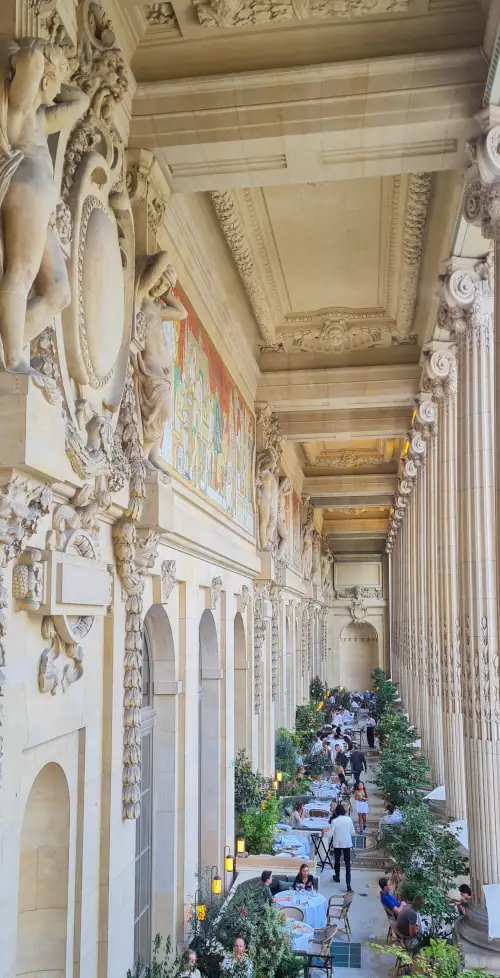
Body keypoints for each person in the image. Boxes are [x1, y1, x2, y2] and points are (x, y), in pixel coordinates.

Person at [330, 804, 355, 892]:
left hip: (337, 843)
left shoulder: (334, 821)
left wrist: (323, 833)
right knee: (348, 864)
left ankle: (337, 876)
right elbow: (352, 832)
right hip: (347, 843)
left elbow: (330, 834)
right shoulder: (349, 819)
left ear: (336, 812)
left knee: (337, 860)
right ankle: (348, 884)